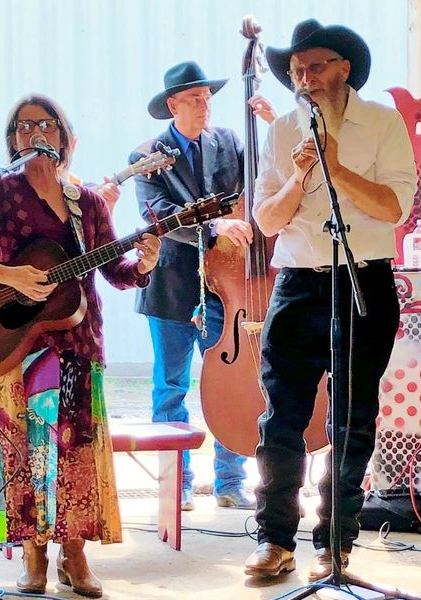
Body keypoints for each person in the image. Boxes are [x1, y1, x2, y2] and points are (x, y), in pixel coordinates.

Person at [0, 93, 160, 598]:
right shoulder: (0, 193)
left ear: (63, 136)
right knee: (25, 453)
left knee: (74, 453)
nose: (35, 132)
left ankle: (74, 555)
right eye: (23, 126)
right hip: (15, 344)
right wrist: (11, 275)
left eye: (46, 124)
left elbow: (116, 271)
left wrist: (145, 263)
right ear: (12, 139)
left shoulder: (88, 203)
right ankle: (33, 553)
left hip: (77, 341)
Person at [244, 19, 417, 581]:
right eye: (297, 70)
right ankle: (274, 541)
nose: (305, 78)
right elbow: (266, 220)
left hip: (363, 279)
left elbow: (395, 208)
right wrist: (300, 177)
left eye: (316, 66)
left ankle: (334, 545)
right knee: (281, 417)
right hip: (297, 281)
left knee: (352, 418)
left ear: (344, 68)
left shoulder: (383, 123)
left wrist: (336, 168)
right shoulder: (281, 131)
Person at [129, 61, 275, 511]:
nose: (204, 104)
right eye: (194, 97)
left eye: (207, 96)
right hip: (171, 287)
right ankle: (177, 485)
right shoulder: (145, 156)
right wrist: (215, 228)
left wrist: (271, 127)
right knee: (170, 386)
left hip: (225, 289)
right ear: (172, 104)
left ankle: (230, 482)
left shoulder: (230, 141)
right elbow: (158, 216)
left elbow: (264, 183)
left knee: (230, 384)